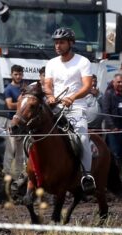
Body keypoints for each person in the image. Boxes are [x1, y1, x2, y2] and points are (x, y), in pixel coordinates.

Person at [43, 27, 96, 193]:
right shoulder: (51, 63)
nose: (58, 45)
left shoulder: (82, 62)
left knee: (82, 139)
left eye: (61, 42)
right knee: (34, 133)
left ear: (71, 43)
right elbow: (47, 85)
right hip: (55, 107)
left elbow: (87, 86)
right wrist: (50, 96)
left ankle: (87, 175)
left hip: (76, 107)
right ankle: (28, 171)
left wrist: (72, 97)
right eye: (56, 42)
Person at [101, 74, 122, 168]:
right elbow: (106, 112)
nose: (121, 84)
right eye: (119, 82)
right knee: (114, 153)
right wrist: (112, 126)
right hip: (114, 130)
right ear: (113, 83)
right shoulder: (109, 94)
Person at [3, 64, 26, 177]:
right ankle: (6, 172)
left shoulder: (25, 88)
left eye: (20, 74)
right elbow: (9, 105)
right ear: (11, 74)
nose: (18, 76)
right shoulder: (8, 89)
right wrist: (22, 103)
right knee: (10, 148)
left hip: (22, 123)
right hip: (11, 121)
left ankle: (18, 174)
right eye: (16, 74)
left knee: (20, 150)